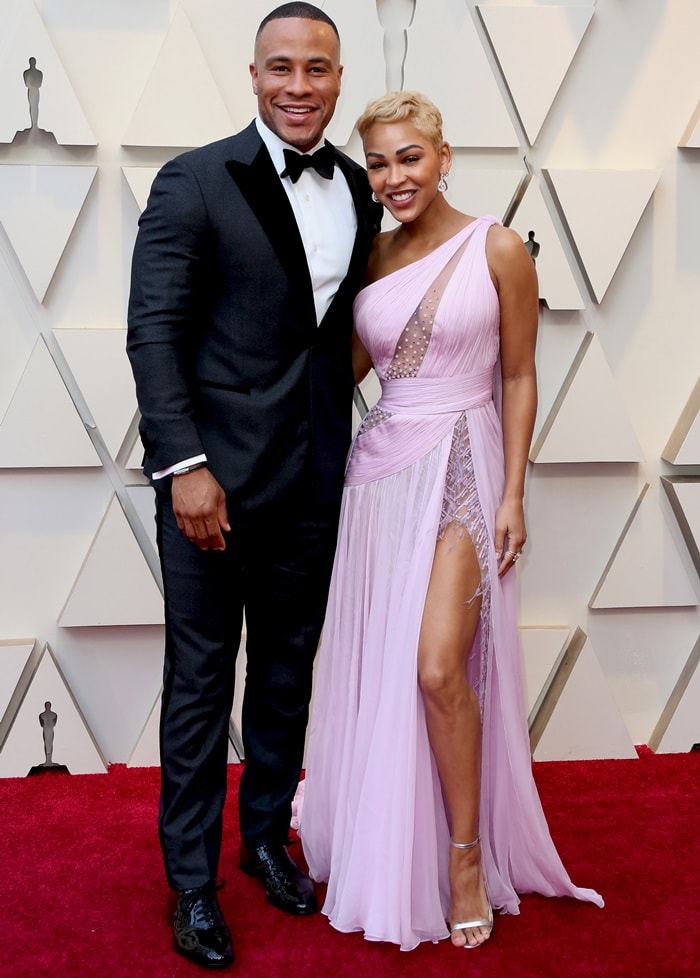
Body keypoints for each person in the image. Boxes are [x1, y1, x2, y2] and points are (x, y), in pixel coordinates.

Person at [299, 91, 604, 952]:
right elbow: (351, 370)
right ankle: (395, 838)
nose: (395, 176)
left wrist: (512, 494)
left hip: (466, 466)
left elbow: (517, 376)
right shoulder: (368, 259)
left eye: (409, 157)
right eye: (380, 163)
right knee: (388, 667)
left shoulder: (499, 247)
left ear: (443, 157)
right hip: (381, 475)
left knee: (439, 668)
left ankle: (465, 858)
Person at [126, 4, 381, 969]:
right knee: (200, 685)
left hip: (315, 478)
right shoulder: (194, 181)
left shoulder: (357, 187)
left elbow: (340, 331)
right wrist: (184, 468)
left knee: (284, 678)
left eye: (318, 68)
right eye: (282, 67)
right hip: (212, 490)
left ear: (339, 77)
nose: (300, 86)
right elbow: (153, 333)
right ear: (254, 74)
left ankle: (267, 840)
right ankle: (191, 885)